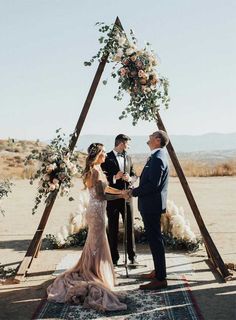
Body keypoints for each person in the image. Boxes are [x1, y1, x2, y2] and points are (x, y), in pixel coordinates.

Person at [47, 143, 129, 311]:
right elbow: (102, 195)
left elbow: (106, 189)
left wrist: (119, 192)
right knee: (97, 244)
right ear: (98, 154)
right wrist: (121, 194)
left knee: (95, 243)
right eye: (104, 152)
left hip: (95, 210)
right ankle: (96, 273)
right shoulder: (96, 171)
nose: (106, 154)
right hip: (97, 211)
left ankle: (94, 269)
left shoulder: (94, 169)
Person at [131, 130, 169, 290]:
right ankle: (158, 271)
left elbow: (153, 185)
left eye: (151, 136)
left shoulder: (158, 158)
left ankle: (160, 278)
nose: (148, 138)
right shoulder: (156, 156)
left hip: (152, 206)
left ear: (158, 140)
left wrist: (133, 192)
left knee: (155, 240)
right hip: (150, 205)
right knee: (154, 240)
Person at [101, 134, 137, 266]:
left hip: (127, 198)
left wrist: (130, 179)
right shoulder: (106, 158)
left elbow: (134, 175)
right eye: (128, 144)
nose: (129, 147)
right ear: (121, 144)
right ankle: (113, 257)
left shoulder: (128, 157)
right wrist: (115, 177)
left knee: (129, 227)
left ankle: (132, 257)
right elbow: (103, 179)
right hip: (112, 198)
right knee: (113, 227)